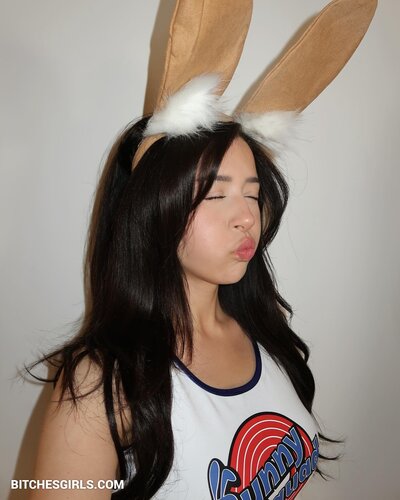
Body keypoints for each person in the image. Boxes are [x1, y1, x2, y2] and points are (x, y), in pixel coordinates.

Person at [27, 118, 327, 500]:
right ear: (151, 211)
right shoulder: (101, 385)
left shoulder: (263, 326)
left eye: (252, 194)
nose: (248, 218)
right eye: (215, 195)